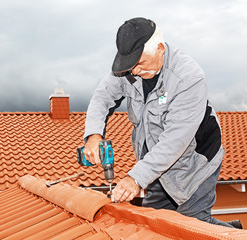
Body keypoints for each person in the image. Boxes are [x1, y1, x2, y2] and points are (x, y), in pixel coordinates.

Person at [83, 17, 242, 229]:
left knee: (192, 228)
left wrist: (135, 178)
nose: (135, 71)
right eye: (130, 65)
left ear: (160, 49)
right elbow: (102, 97)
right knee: (156, 226)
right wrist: (93, 135)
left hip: (194, 162)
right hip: (154, 162)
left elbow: (174, 142)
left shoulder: (188, 77)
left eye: (140, 64)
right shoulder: (128, 67)